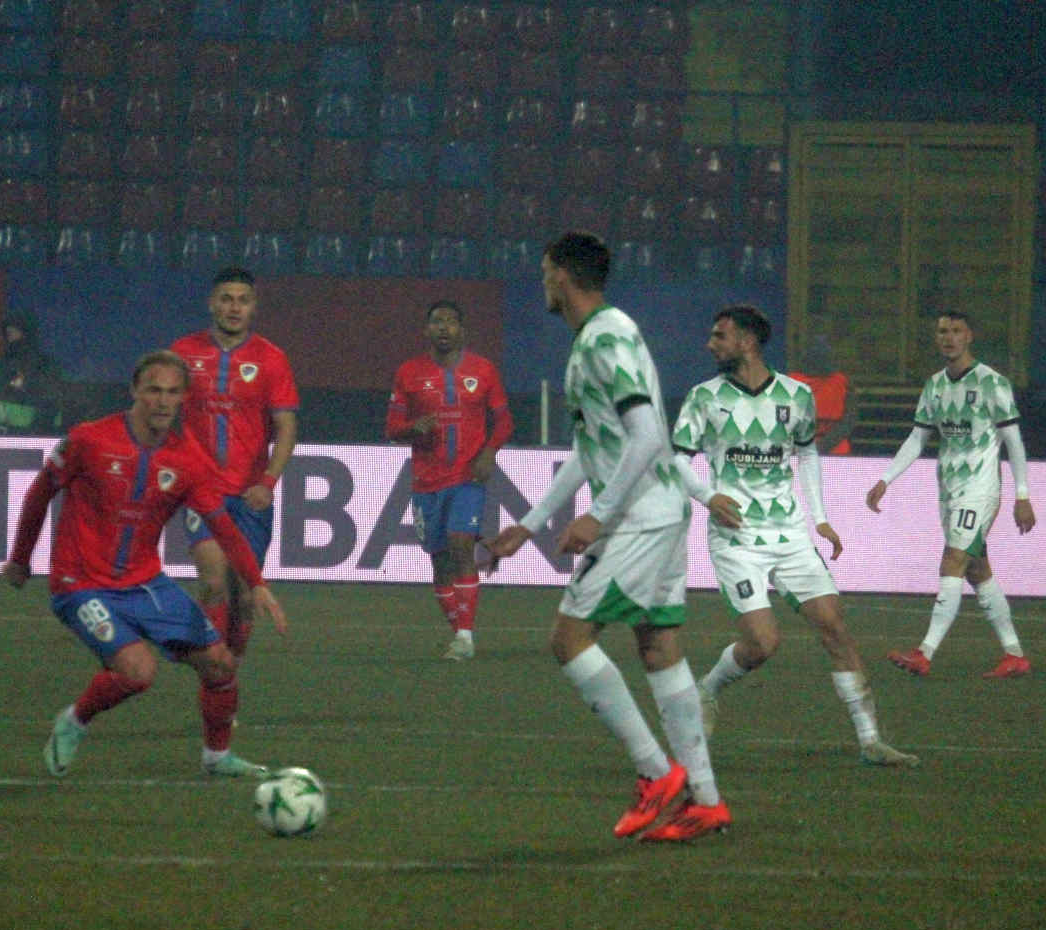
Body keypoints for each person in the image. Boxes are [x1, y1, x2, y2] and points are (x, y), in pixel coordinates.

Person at [484, 231, 727, 843]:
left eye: (545, 271)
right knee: (658, 645)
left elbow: (646, 434)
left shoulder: (606, 336)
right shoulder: (600, 337)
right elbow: (594, 446)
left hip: (641, 514)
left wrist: (601, 513)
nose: (542, 282)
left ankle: (654, 774)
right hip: (659, 508)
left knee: (569, 639)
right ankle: (705, 799)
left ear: (562, 276)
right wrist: (532, 522)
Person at [2, 350, 288, 777]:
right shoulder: (89, 440)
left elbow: (223, 526)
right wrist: (21, 559)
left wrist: (258, 582)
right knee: (138, 672)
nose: (162, 400)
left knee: (220, 664)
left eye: (173, 392)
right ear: (135, 390)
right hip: (80, 584)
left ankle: (217, 756)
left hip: (145, 584)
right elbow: (39, 493)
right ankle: (74, 721)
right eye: (153, 389)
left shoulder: (186, 460)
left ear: (183, 399)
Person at [671, 305, 918, 767]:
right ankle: (708, 689)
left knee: (835, 628)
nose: (710, 344)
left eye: (719, 336)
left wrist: (819, 517)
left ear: (747, 342)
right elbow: (677, 458)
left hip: (789, 534)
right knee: (763, 644)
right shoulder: (704, 398)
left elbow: (806, 456)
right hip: (737, 537)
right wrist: (708, 496)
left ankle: (870, 741)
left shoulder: (796, 396)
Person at [167, 267, 301, 777]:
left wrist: (268, 479)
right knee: (212, 578)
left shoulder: (271, 359)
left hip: (251, 497)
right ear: (211, 303)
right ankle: (215, 670)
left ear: (254, 306)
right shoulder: (183, 352)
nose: (234, 307)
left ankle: (226, 676)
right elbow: (163, 413)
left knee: (246, 596)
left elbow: (287, 427)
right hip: (202, 492)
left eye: (243, 299)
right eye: (226, 298)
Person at [865, 310, 1036, 678]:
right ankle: (1015, 655)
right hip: (949, 490)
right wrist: (886, 479)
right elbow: (917, 438)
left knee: (953, 560)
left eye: (956, 331)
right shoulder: (935, 386)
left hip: (981, 487)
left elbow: (1014, 442)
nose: (948, 337)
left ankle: (924, 652)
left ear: (969, 336)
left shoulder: (993, 383)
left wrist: (1022, 495)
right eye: (942, 331)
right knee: (977, 570)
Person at [385, 300, 514, 661]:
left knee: (461, 545)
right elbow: (392, 429)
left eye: (451, 322)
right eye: (437, 322)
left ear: (462, 330)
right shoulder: (409, 373)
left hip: (467, 477)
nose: (444, 328)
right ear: (426, 330)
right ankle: (459, 632)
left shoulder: (483, 371)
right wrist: (413, 429)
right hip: (427, 482)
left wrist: (489, 453)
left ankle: (466, 637)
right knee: (440, 562)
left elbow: (504, 421)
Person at [0, 310, 64, 435]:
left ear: (26, 332)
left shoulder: (42, 365)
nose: (10, 332)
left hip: (25, 439)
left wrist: (35, 434)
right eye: (8, 330)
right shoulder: (3, 363)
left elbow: (49, 403)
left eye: (15, 328)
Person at [786, 339, 856, 455]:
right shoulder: (844, 382)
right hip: (834, 449)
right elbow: (849, 421)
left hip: (799, 448)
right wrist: (822, 446)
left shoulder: (789, 382)